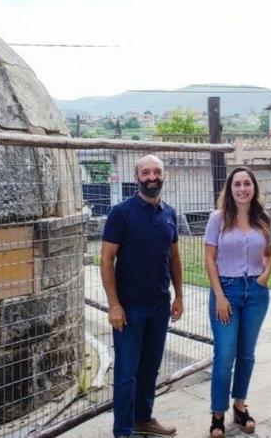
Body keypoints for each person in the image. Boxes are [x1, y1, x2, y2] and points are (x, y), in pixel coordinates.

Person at [101, 154, 184, 438]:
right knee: (127, 374)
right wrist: (114, 305)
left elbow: (174, 258)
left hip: (160, 305)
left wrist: (179, 296)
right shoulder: (121, 213)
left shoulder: (169, 213)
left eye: (157, 172)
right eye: (146, 172)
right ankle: (123, 431)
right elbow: (106, 260)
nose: (152, 177)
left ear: (164, 176)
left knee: (150, 369)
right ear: (137, 177)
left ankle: (143, 419)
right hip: (129, 308)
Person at [203, 167, 271, 438]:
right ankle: (217, 414)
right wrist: (220, 295)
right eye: (237, 185)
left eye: (247, 184)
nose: (242, 188)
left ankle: (240, 407)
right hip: (227, 292)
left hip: (256, 293)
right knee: (224, 355)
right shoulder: (218, 218)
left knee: (247, 354)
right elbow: (210, 258)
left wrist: (264, 277)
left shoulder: (263, 218)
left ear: (253, 188)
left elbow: (268, 253)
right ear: (230, 190)